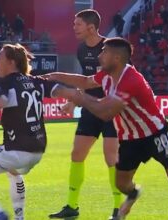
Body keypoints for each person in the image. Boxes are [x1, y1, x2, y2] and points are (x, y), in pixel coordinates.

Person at [45, 37, 168, 220]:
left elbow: (105, 112)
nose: (100, 56)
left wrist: (75, 96)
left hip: (156, 134)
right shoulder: (107, 75)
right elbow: (87, 81)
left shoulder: (131, 80)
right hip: (129, 139)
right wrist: (57, 76)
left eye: (104, 52)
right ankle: (133, 193)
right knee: (121, 184)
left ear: (117, 58)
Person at [0, 43, 74, 220]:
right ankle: (20, 217)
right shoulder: (36, 82)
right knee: (13, 172)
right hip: (37, 151)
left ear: (11, 62)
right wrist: (73, 101)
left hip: (17, 150)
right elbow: (65, 90)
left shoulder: (7, 82)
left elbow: (0, 101)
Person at [48, 9, 122, 220]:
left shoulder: (112, 48)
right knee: (77, 154)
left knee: (111, 158)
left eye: (77, 24)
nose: (74, 28)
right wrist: (72, 102)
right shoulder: (81, 49)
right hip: (90, 108)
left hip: (110, 110)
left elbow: (126, 77)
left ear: (90, 27)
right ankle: (72, 206)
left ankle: (118, 209)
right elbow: (85, 81)